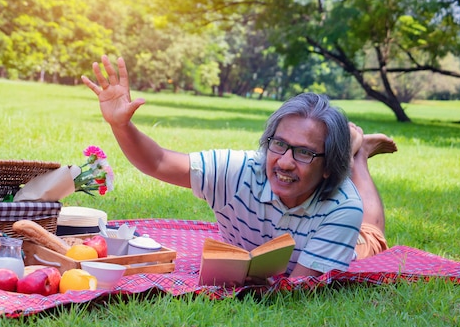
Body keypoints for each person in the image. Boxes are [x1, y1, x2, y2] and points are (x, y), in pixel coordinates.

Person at [82, 55, 397, 278]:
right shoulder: (238, 170)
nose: (285, 162)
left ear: (327, 166)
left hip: (348, 237)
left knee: (371, 236)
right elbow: (159, 161)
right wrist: (122, 126)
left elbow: (300, 288)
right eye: (279, 144)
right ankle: (348, 148)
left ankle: (357, 154)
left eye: (304, 153)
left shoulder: (343, 208)